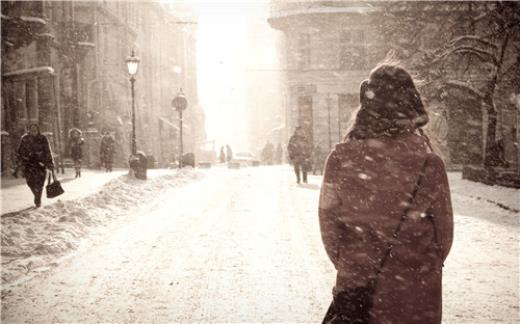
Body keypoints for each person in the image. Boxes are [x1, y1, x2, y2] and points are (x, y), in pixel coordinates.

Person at [319, 64, 453, 324]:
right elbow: (444, 238)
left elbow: (329, 230)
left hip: (358, 289)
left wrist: (356, 264)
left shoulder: (339, 160)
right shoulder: (429, 165)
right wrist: (412, 267)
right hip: (417, 293)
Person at [16, 123, 55, 207]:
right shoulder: (25, 139)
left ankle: (37, 200)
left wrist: (50, 162)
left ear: (38, 129)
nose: (33, 130)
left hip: (40, 164)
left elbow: (47, 150)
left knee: (40, 183)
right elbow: (20, 151)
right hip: (29, 164)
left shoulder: (43, 138)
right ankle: (37, 195)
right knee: (30, 182)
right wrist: (22, 160)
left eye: (35, 129)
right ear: (29, 130)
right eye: (31, 129)